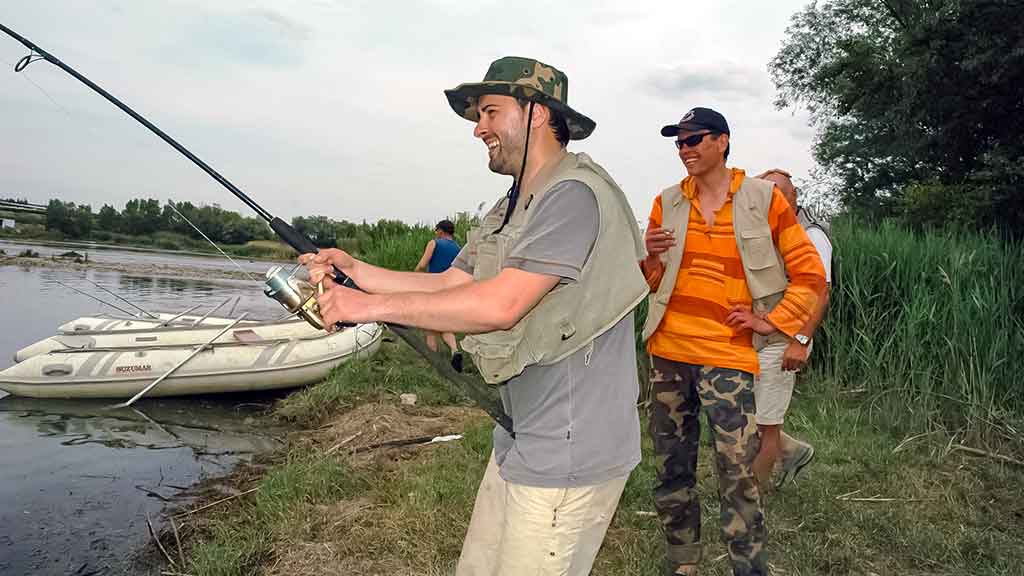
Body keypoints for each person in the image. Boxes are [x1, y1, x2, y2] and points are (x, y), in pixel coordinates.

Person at [301, 56, 649, 576]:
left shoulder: (573, 196)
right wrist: (355, 269)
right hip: (522, 432)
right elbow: (450, 284)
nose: (478, 129)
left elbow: (500, 305)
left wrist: (364, 306)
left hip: (570, 449)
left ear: (536, 113)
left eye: (490, 112)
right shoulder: (511, 205)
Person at [640, 107, 826, 576]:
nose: (685, 150)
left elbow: (811, 275)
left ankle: (748, 565)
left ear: (722, 141)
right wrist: (651, 258)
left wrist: (774, 321)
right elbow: (651, 282)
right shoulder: (666, 202)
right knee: (670, 466)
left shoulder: (764, 199)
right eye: (679, 142)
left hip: (727, 356)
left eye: (694, 139)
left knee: (738, 470)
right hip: (668, 353)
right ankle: (683, 559)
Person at [751, 169, 833, 489]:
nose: (770, 202)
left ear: (793, 196)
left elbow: (821, 292)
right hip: (759, 334)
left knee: (765, 423)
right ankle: (792, 451)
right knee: (739, 411)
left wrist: (800, 340)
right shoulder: (768, 229)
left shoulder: (811, 235)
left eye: (778, 194)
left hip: (786, 339)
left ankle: (750, 499)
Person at [414, 218, 464, 372]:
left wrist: (413, 276)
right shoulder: (459, 248)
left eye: (436, 230)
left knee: (429, 326)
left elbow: (423, 264)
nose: (435, 233)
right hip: (451, 289)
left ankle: (433, 363)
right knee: (444, 322)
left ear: (441, 231)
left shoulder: (434, 243)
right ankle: (455, 350)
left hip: (433, 288)